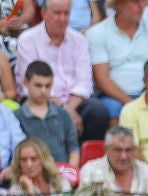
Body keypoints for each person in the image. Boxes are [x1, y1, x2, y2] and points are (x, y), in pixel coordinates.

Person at [15, 0, 107, 144]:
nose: (62, 19)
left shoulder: (79, 40)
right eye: (57, 13)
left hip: (74, 101)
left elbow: (84, 83)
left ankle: (86, 162)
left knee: (98, 111)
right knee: (41, 112)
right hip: (41, 98)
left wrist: (69, 108)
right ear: (44, 13)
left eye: (66, 13)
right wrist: (66, 111)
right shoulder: (27, 40)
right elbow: (31, 86)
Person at [90, 0, 148, 121]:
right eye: (135, 2)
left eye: (142, 2)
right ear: (118, 5)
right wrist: (132, 104)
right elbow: (102, 78)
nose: (141, 6)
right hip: (114, 97)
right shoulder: (97, 33)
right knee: (114, 109)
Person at [15, 59, 78, 162]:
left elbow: (73, 148)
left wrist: (70, 173)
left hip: (62, 173)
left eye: (48, 86)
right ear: (26, 83)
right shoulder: (16, 117)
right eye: (38, 85)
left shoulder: (63, 115)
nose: (43, 90)